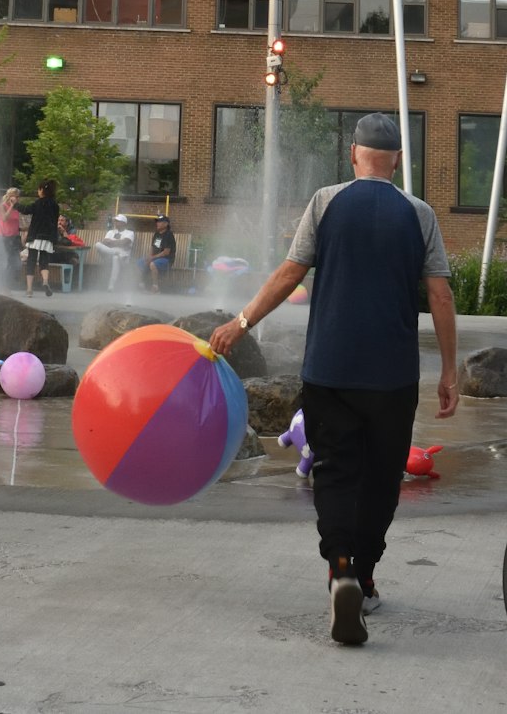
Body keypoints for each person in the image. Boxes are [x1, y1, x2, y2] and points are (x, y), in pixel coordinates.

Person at [209, 113, 458, 648]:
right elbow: (440, 295)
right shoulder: (420, 215)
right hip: (393, 378)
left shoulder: (326, 202)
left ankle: (341, 567)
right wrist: (451, 372)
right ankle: (364, 575)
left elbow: (290, 272)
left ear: (353, 155)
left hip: (330, 370)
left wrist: (242, 321)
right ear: (395, 160)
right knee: (381, 478)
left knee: (335, 474)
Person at [18, 180, 59, 298]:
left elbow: (26, 210)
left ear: (42, 190)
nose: (38, 191)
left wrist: (15, 204)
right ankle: (45, 281)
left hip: (35, 236)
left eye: (39, 189)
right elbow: (55, 221)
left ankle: (29, 289)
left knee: (31, 261)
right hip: (48, 238)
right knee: (44, 262)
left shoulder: (38, 203)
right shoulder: (55, 205)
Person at [94, 213, 134, 292]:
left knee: (116, 258)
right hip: (109, 256)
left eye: (117, 221)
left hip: (124, 258)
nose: (115, 223)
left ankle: (111, 286)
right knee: (97, 244)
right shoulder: (111, 232)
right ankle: (116, 252)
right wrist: (119, 243)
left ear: (123, 223)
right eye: (115, 221)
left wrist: (111, 242)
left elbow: (124, 242)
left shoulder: (130, 233)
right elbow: (104, 242)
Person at [137, 214, 175, 292]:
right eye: (157, 221)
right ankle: (142, 285)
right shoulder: (157, 234)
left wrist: (152, 258)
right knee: (140, 262)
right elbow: (153, 248)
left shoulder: (169, 235)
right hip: (155, 258)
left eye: (160, 222)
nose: (157, 223)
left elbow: (166, 252)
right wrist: (149, 256)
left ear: (166, 224)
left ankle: (155, 287)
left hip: (166, 260)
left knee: (152, 264)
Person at [0, 189, 23, 288]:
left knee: (17, 264)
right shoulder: (3, 206)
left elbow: (18, 224)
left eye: (18, 197)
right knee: (4, 263)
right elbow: (4, 218)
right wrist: (11, 206)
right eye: (16, 196)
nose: (18, 198)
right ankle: (0, 287)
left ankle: (7, 284)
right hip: (2, 237)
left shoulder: (17, 209)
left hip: (13, 238)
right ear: (10, 196)